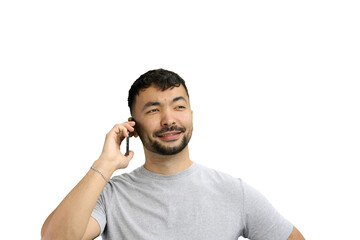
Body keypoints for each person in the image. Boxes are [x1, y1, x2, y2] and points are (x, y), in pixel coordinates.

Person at [41, 69, 305, 240]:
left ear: (191, 115)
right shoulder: (111, 195)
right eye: (153, 110)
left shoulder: (234, 192)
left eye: (179, 107)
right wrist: (105, 163)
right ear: (132, 125)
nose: (169, 120)